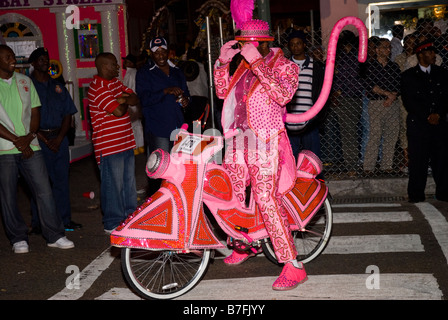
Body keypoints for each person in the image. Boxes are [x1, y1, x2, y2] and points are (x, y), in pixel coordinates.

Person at [214, 16, 306, 291]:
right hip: (237, 140)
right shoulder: (242, 65)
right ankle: (244, 244)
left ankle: (293, 264)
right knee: (233, 196)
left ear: (264, 45)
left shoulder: (286, 66)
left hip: (266, 141)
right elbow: (222, 94)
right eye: (241, 45)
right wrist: (222, 63)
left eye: (248, 45)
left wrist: (255, 62)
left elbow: (283, 95)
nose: (244, 49)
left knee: (266, 199)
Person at [0, 44, 74, 253]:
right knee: (8, 195)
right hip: (5, 148)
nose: (12, 59)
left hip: (30, 146)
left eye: (12, 56)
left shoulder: (25, 81)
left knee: (44, 190)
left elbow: (35, 112)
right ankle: (18, 238)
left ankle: (55, 234)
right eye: (7, 57)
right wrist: (17, 140)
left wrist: (29, 137)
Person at [27, 47, 81, 234]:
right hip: (38, 139)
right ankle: (38, 223)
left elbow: (68, 113)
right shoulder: (28, 86)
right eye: (40, 59)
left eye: (46, 58)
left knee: (61, 181)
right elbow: (24, 117)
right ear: (33, 63)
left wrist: (59, 138)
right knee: (40, 182)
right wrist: (42, 137)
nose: (45, 61)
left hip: (59, 138)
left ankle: (64, 220)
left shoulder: (57, 86)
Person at [87, 52, 139, 233]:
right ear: (103, 67)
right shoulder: (97, 87)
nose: (117, 67)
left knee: (128, 185)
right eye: (114, 65)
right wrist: (122, 101)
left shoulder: (115, 83)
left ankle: (130, 217)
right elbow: (118, 111)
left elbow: (134, 98)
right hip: (109, 146)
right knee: (113, 187)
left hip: (125, 142)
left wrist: (122, 99)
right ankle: (112, 222)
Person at [401, 40, 448, 203]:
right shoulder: (408, 76)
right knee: (418, 161)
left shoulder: (442, 73)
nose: (433, 55)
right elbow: (409, 101)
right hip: (419, 125)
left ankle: (443, 192)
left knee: (441, 160)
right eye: (430, 53)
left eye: (434, 52)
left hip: (439, 124)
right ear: (420, 55)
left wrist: (438, 114)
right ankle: (416, 195)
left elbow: (445, 97)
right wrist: (427, 115)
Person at [136, 36, 190, 156]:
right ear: (151, 54)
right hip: (158, 128)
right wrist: (165, 91)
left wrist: (186, 100)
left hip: (179, 126)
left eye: (163, 52)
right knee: (162, 166)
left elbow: (186, 93)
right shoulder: (145, 73)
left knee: (179, 165)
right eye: (157, 53)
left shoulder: (177, 71)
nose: (161, 56)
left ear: (168, 52)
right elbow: (144, 99)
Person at [284, 29, 326, 164]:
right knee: (291, 157)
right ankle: (292, 184)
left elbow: (321, 91)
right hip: (289, 121)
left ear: (304, 45)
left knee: (312, 157)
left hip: (310, 120)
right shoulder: (284, 66)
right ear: (289, 46)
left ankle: (316, 183)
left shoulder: (315, 66)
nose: (295, 47)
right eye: (292, 44)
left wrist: (318, 116)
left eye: (298, 43)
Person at [363, 38, 401, 174]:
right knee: (375, 134)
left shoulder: (394, 66)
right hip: (376, 103)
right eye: (385, 47)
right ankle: (368, 167)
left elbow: (399, 84)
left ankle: (387, 165)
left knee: (391, 135)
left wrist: (392, 97)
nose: (388, 50)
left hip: (392, 104)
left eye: (389, 47)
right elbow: (370, 85)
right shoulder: (370, 66)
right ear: (377, 50)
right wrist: (387, 94)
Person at [332, 30, 363, 174]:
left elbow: (350, 79)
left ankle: (351, 165)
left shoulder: (348, 57)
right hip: (346, 98)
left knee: (349, 133)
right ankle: (350, 163)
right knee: (348, 132)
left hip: (348, 97)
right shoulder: (344, 57)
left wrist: (338, 91)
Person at [122, 54, 144, 155]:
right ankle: (140, 146)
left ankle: (135, 147)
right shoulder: (134, 73)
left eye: (126, 61)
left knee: (133, 125)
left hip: (131, 102)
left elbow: (128, 89)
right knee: (137, 125)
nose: (124, 62)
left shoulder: (130, 74)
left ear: (130, 63)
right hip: (136, 101)